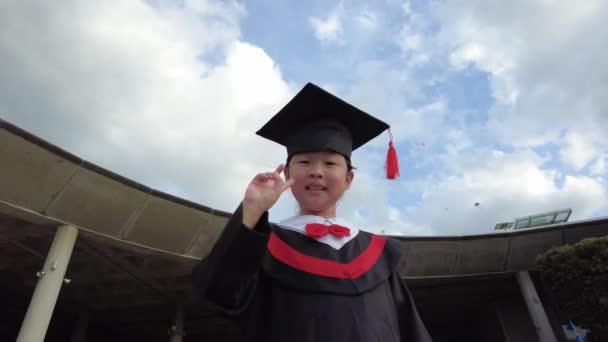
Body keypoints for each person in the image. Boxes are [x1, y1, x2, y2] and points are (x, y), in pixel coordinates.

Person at [193, 83, 432, 342]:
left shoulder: (378, 256)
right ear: (287, 174)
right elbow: (218, 293)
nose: (317, 171)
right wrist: (253, 211)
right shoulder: (262, 245)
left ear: (349, 178)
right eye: (305, 161)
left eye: (330, 163)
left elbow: (411, 330)